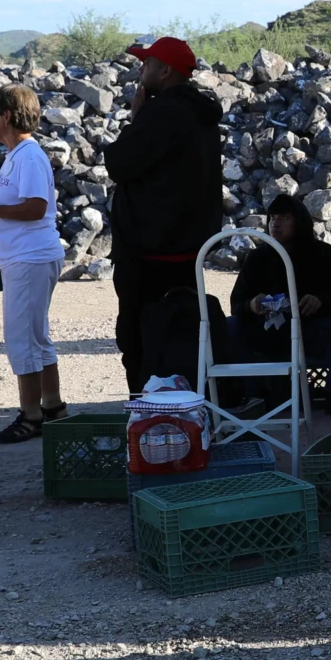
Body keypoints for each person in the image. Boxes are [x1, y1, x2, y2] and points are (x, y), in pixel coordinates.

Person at [104, 35, 223, 394]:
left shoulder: (162, 112)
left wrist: (135, 118)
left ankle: (149, 417)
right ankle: (190, 411)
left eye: (148, 63)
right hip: (189, 247)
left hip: (149, 253)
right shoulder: (201, 115)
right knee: (183, 334)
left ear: (166, 70)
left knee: (139, 340)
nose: (142, 69)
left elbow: (120, 163)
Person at [0, 83, 70, 442]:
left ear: (6, 116)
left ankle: (32, 414)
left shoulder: (29, 156)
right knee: (36, 336)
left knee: (22, 339)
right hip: (22, 258)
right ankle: (52, 406)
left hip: (31, 258)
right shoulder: (16, 155)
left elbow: (37, 207)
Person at [225, 193, 331, 416]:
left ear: (300, 221)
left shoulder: (323, 253)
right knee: (232, 325)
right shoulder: (257, 258)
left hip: (308, 332)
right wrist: (252, 305)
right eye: (273, 217)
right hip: (268, 333)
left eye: (284, 217)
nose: (275, 223)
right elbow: (237, 303)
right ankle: (252, 397)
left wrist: (319, 301)